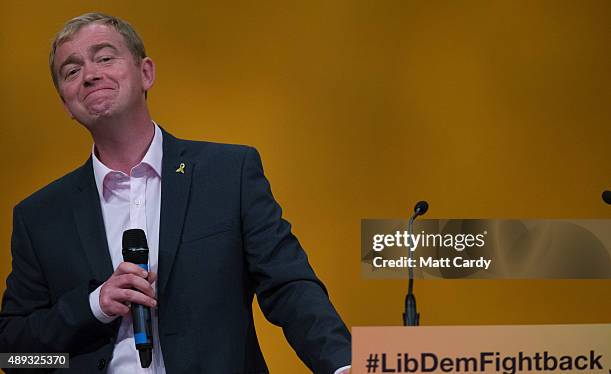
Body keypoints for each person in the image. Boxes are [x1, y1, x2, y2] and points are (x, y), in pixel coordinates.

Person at [0, 13, 351, 373]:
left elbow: (290, 287)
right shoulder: (39, 217)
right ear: (65, 105)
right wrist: (92, 306)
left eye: (105, 57)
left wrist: (344, 366)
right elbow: (13, 358)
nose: (90, 74)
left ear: (146, 73)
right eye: (71, 71)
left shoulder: (228, 174)